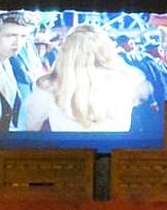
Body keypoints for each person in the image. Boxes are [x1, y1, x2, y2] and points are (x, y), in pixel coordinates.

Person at [21, 24, 149, 132]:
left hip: (66, 159)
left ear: (65, 53)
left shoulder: (46, 90)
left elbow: (30, 130)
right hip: (117, 159)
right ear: (107, 50)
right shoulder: (130, 83)